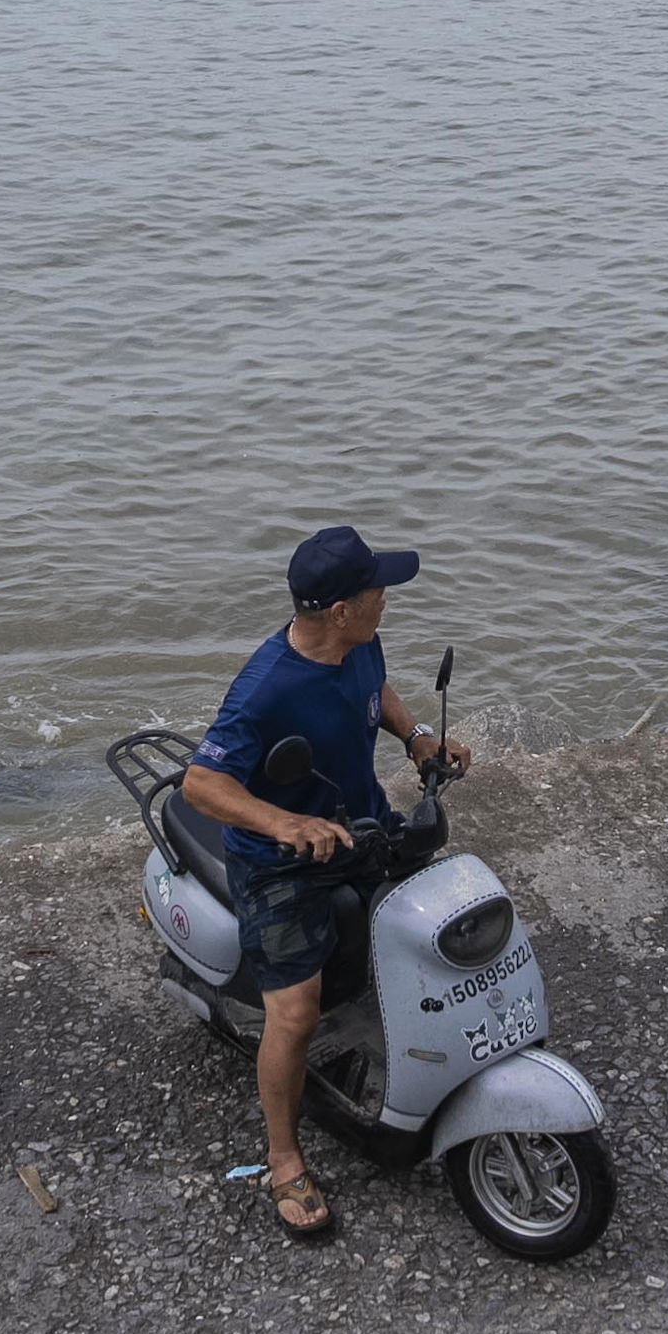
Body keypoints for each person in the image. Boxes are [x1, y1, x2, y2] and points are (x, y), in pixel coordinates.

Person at [178, 525, 468, 1243]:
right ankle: (283, 1159)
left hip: (360, 827)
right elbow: (202, 783)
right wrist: (283, 823)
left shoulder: (359, 642)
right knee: (296, 1014)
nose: (385, 597)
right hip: (280, 863)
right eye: (376, 590)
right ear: (341, 609)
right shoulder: (265, 689)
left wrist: (416, 738)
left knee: (427, 927)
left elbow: (376, 692)